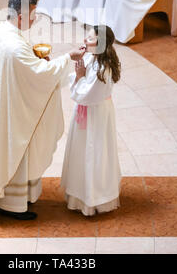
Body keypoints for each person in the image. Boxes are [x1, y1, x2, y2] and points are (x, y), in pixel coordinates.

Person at [0, 0, 86, 219]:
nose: (34, 20)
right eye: (33, 15)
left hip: (8, 100)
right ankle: (12, 206)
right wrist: (69, 58)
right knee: (18, 148)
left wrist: (34, 60)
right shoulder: (15, 48)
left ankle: (18, 199)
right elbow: (41, 74)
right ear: (19, 16)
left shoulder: (0, 30)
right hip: (15, 111)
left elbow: (24, 69)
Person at [61, 25, 121, 216]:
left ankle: (93, 198)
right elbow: (78, 78)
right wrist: (78, 74)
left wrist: (79, 77)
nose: (85, 41)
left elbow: (85, 95)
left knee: (94, 151)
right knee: (81, 149)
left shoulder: (104, 68)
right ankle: (79, 193)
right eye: (86, 37)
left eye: (90, 39)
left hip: (96, 114)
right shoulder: (91, 56)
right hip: (88, 110)